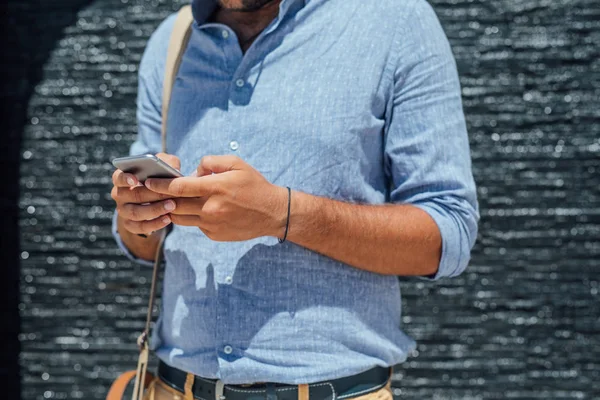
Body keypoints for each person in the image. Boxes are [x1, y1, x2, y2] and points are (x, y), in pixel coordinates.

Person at [110, 0, 479, 399]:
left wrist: (282, 214)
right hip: (174, 387)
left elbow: (448, 234)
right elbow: (143, 247)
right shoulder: (172, 42)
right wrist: (139, 215)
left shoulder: (395, 21)